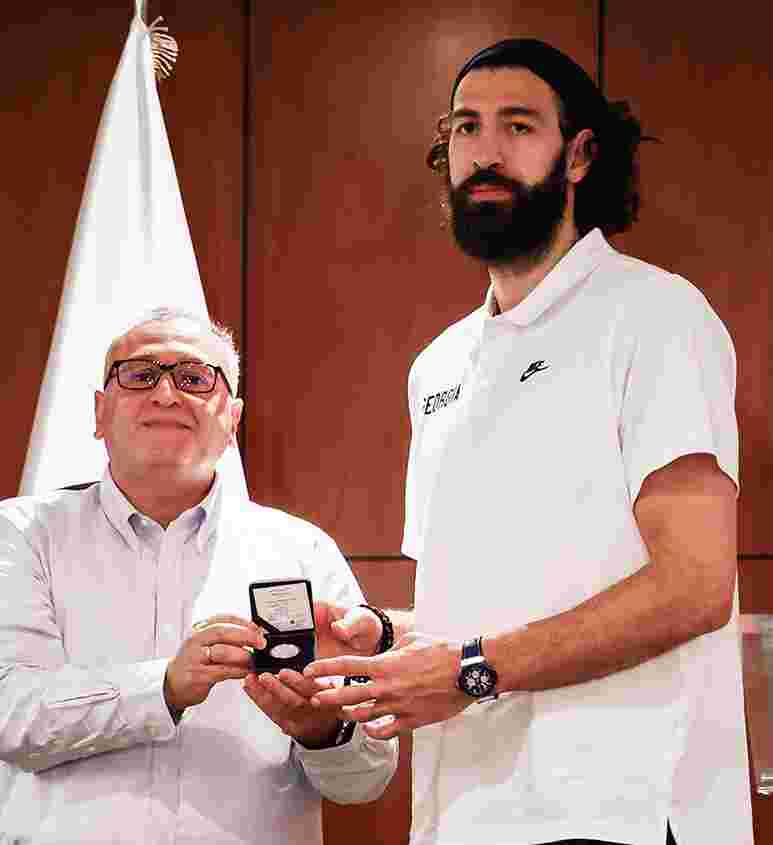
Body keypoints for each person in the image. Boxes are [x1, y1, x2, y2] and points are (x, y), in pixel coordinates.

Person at [305, 39, 750, 845]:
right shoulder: (438, 365)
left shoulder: (654, 316)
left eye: (517, 126)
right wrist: (384, 639)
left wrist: (468, 669)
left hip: (621, 814)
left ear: (579, 156)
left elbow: (694, 584)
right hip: (466, 813)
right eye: (465, 128)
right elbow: (482, 609)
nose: (486, 152)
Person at [0, 306, 397, 844]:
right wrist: (164, 687)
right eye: (139, 375)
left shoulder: (302, 551)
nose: (165, 394)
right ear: (99, 412)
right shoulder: (18, 534)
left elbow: (367, 778)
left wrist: (323, 731)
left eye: (194, 378)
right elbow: (4, 712)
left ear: (232, 419)